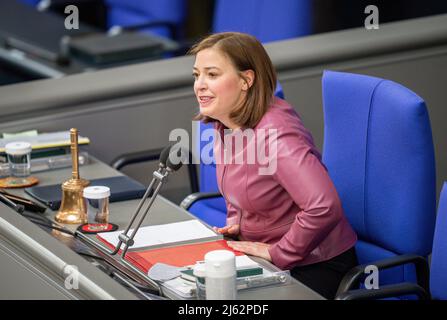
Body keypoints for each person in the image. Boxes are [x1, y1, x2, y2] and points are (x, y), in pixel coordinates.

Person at [189, 32, 358, 299]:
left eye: (212, 74)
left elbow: (323, 207)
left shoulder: (276, 134)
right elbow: (241, 187)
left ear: (246, 80)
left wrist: (278, 253)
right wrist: (237, 224)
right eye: (197, 75)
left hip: (315, 265)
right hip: (270, 256)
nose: (199, 85)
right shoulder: (227, 124)